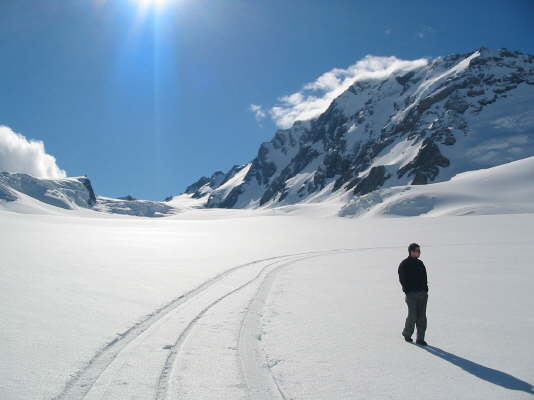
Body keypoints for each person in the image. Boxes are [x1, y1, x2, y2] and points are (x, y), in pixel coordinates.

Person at [398, 243, 429, 346]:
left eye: (419, 251)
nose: (419, 252)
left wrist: (425, 289)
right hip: (411, 295)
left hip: (422, 294)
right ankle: (407, 334)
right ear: (411, 251)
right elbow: (402, 278)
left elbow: (424, 277)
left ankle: (420, 338)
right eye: (417, 250)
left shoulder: (420, 263)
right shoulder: (404, 264)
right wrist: (407, 290)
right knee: (412, 315)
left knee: (422, 317)